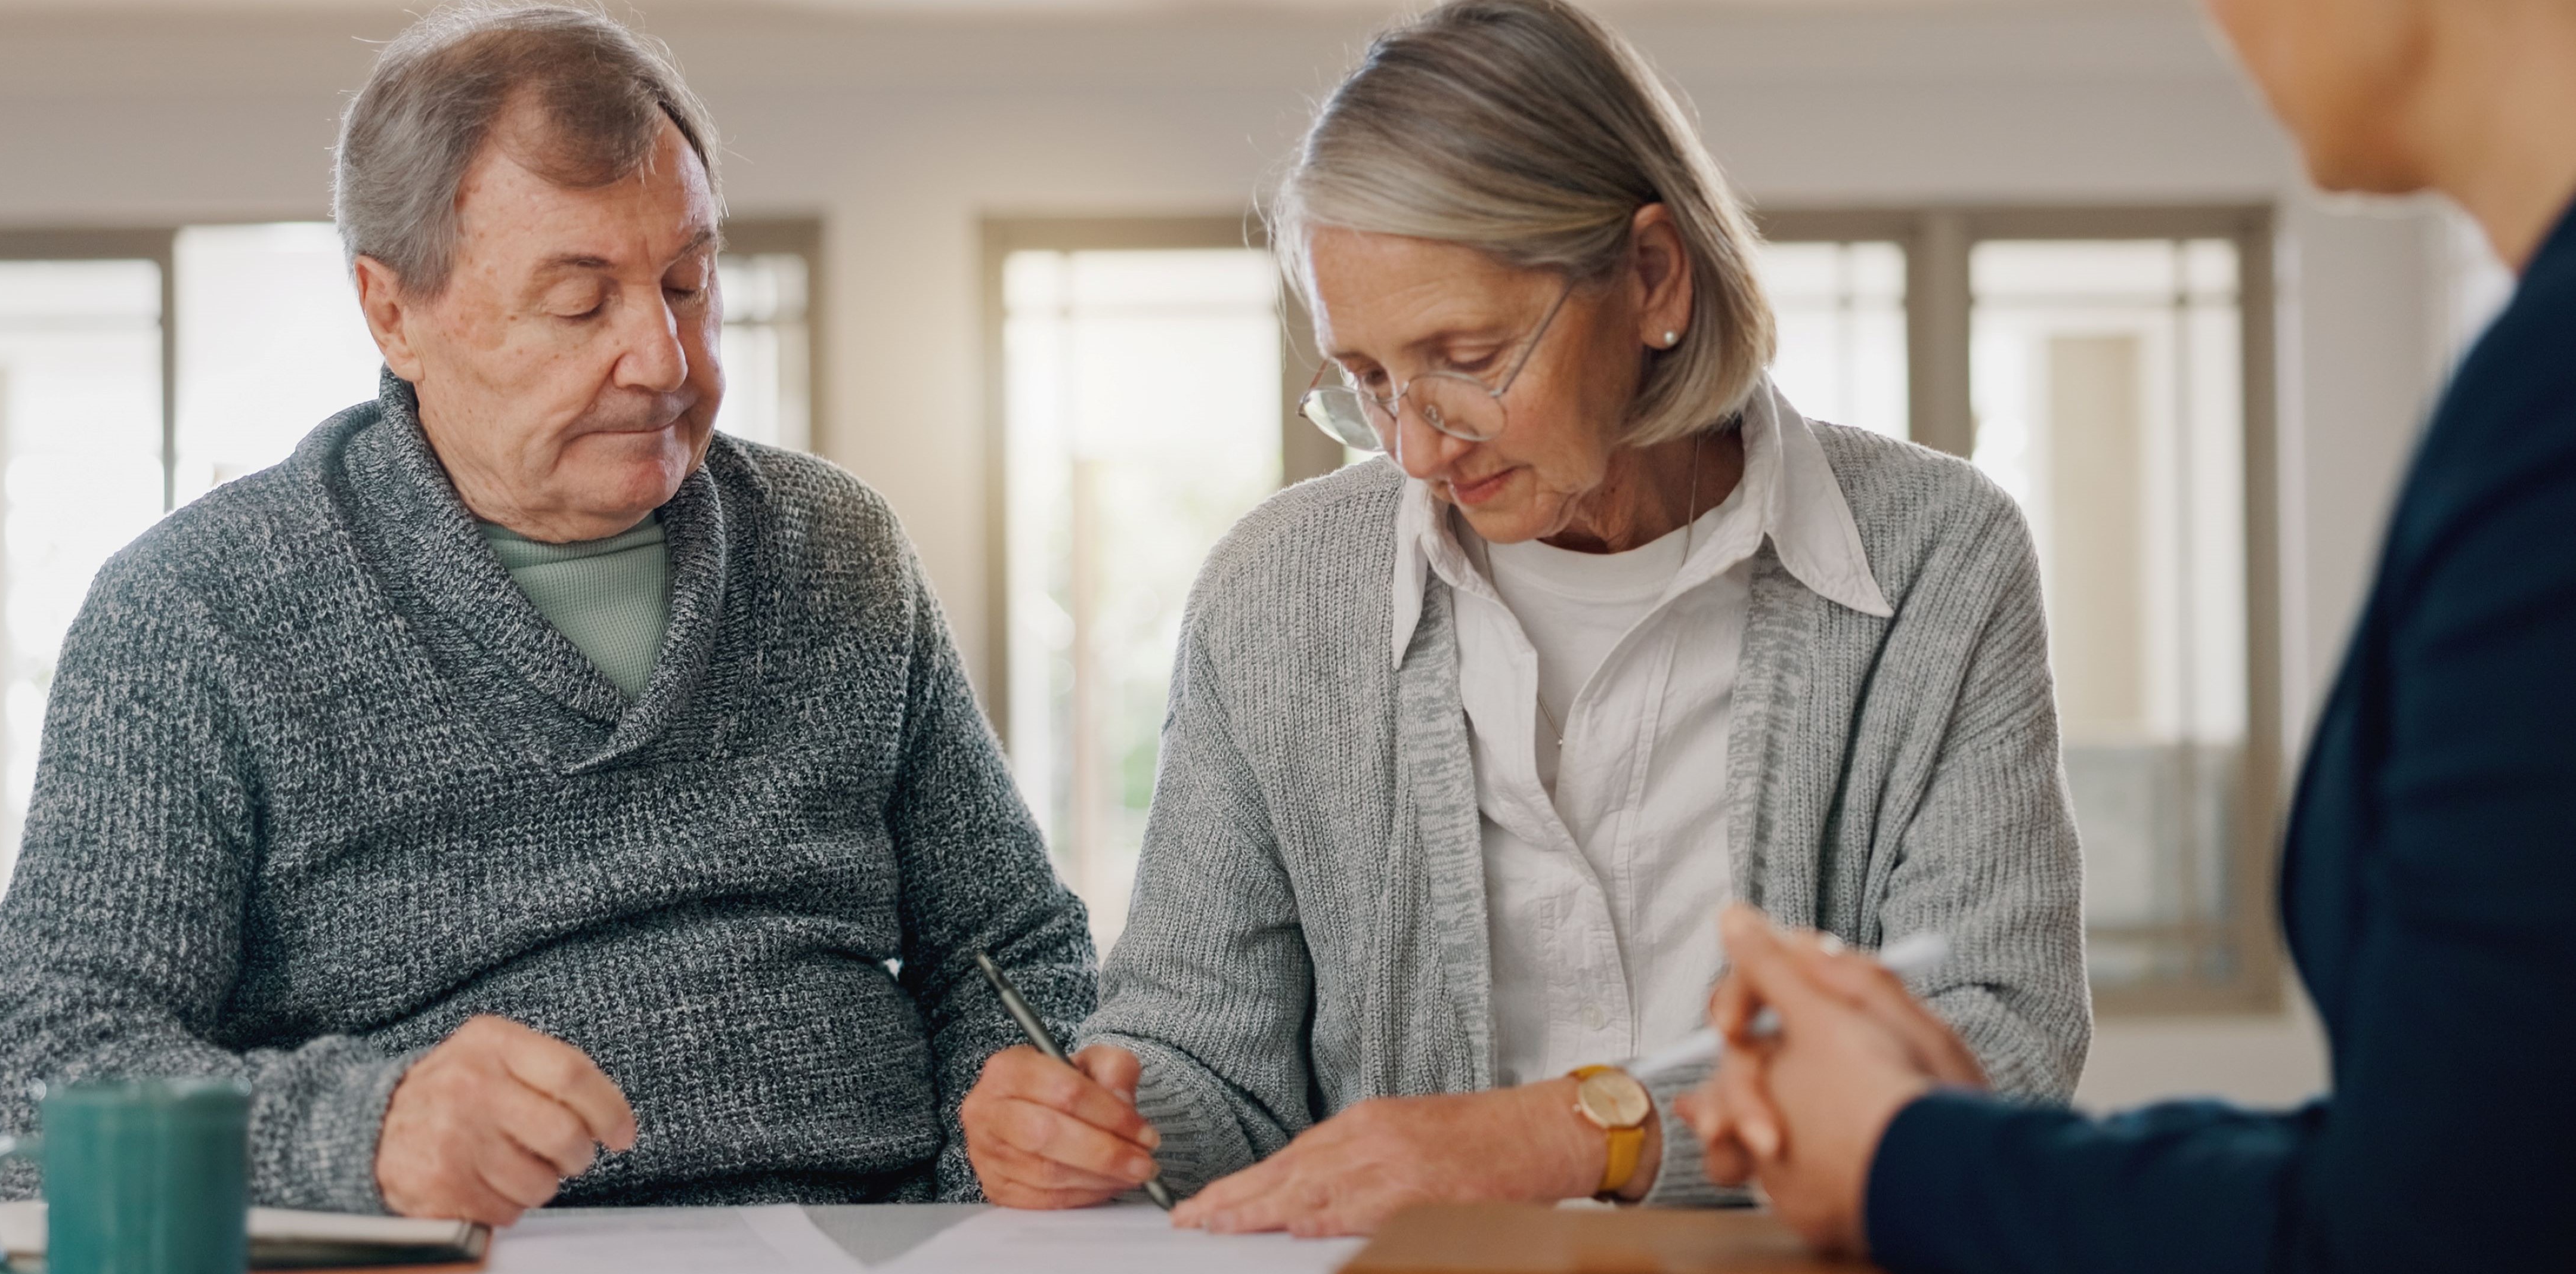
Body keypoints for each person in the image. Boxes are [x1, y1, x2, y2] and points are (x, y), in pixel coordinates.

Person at [958, 0, 2089, 1233]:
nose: (1416, 446)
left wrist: (1569, 1136)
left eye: (1465, 355)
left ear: (1652, 278)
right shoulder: (1271, 594)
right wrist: (1102, 1125)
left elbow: (1999, 1041)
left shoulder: (1937, 557)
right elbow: (1208, 1064)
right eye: (1369, 379)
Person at [0, 2, 1094, 1223]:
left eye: (687, 283)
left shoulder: (838, 548)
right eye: (580, 301)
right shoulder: (196, 611)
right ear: (393, 312)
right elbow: (33, 1087)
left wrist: (1009, 1133)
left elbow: (1012, 952)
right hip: (456, 1250)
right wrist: (367, 1135)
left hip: (881, 1234)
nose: (664, 360)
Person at [1673, 1, 2576, 1270]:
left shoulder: (2548, 410)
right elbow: (2465, 1160)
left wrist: (1897, 1159)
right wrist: (1933, 1142)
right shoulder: (2528, 373)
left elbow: (2432, 1233)